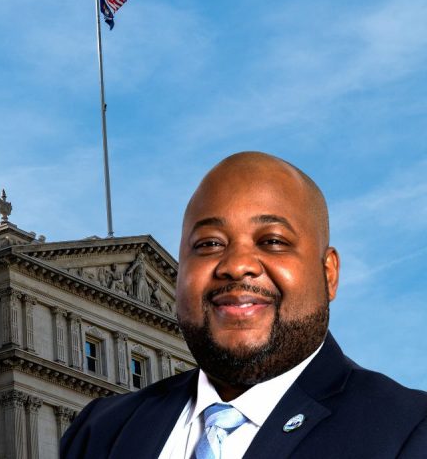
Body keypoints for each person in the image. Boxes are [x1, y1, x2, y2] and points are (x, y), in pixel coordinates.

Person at [61, 152, 427, 458]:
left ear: (328, 273)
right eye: (208, 244)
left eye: (272, 241)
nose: (236, 264)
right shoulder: (98, 432)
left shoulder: (409, 431)